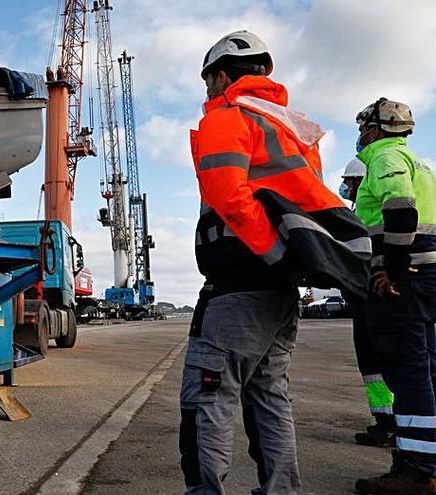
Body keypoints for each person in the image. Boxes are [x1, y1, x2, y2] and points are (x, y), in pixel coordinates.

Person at [182, 30, 354, 495]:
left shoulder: (228, 116)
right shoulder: (293, 128)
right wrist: (286, 266)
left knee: (208, 397)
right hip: (282, 291)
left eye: (207, 82)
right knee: (270, 397)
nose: (207, 93)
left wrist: (271, 256)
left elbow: (230, 197)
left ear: (221, 77)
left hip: (240, 281)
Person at [352, 98, 436, 495]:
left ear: (375, 129)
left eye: (362, 128)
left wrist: (394, 267)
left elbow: (401, 209)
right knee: (427, 371)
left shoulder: (385, 159)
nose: (360, 136)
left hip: (407, 280)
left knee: (408, 373)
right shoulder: (420, 163)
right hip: (428, 275)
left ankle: (417, 471)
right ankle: (424, 460)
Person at [341, 158, 397, 448]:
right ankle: (386, 421)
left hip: (371, 295)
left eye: (349, 182)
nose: (345, 187)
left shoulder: (369, 210)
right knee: (374, 362)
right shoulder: (365, 208)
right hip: (367, 295)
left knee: (377, 359)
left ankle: (390, 424)